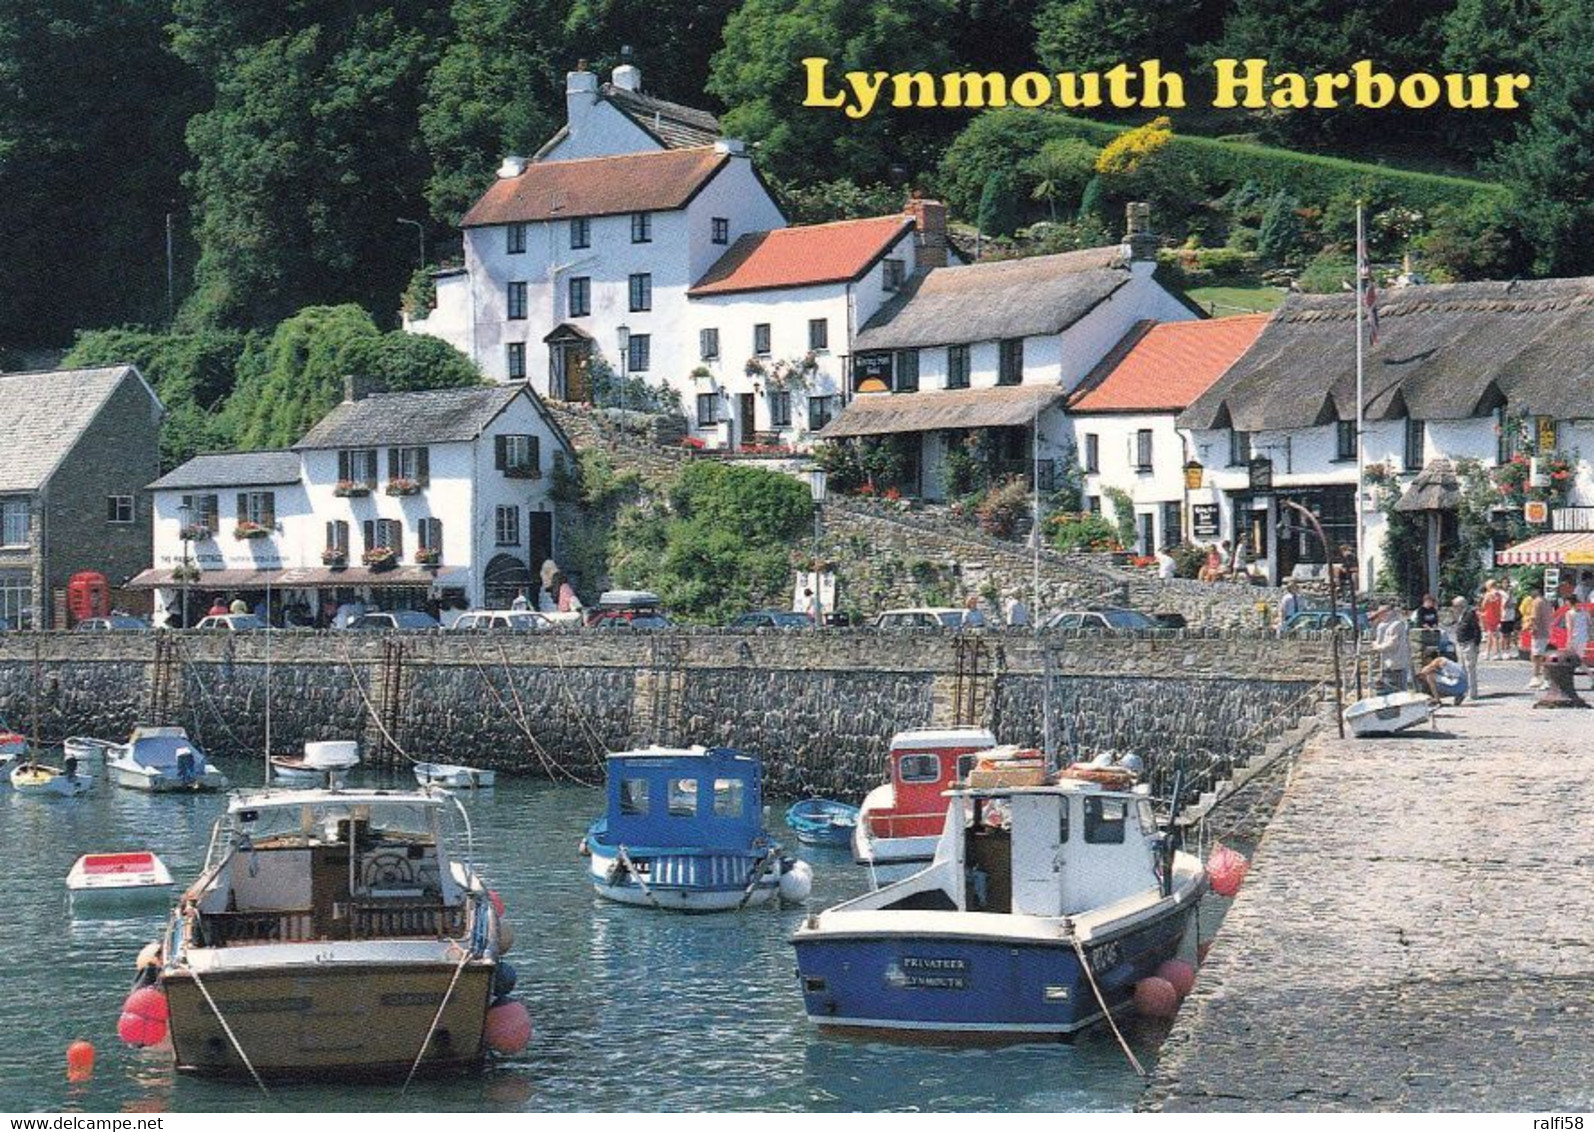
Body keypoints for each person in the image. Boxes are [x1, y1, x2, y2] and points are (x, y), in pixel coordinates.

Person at [1370, 603, 1412, 692]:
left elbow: (1392, 644)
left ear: (1388, 613)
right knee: (1389, 689)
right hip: (1387, 663)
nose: (1380, 616)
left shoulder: (1397, 625)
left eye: (1381, 614)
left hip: (1396, 663)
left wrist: (1377, 647)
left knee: (1399, 692)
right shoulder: (1383, 625)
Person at [1451, 595, 1481, 701]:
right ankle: (1463, 691)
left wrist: (1476, 645)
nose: (1454, 608)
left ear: (1461, 605)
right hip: (1461, 643)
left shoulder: (1470, 615)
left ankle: (1473, 693)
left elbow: (1477, 630)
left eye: (1455, 606)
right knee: (1462, 669)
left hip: (1469, 643)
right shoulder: (1460, 615)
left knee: (1470, 668)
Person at [1527, 586, 1553, 690]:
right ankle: (1543, 678)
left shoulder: (1536, 602)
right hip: (1546, 632)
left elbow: (1534, 617)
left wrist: (1531, 627)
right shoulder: (1547, 602)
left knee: (1537, 656)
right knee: (1543, 655)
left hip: (1539, 632)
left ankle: (1537, 677)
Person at [1480, 579, 1505, 660]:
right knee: (1493, 634)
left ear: (1489, 586)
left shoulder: (1489, 594)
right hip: (1497, 615)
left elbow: (1483, 605)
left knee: (1491, 634)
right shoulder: (1499, 594)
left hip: (1489, 616)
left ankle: (1492, 653)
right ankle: (1492, 652)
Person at [1499, 581, 1519, 658]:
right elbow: (1504, 605)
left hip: (1511, 617)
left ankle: (1507, 650)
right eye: (1504, 583)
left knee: (1509, 634)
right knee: (1504, 635)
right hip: (1503, 617)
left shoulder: (1513, 595)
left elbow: (1514, 605)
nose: (1506, 585)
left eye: (1507, 583)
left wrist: (1510, 597)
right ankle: (1502, 651)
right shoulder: (1501, 594)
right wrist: (1509, 597)